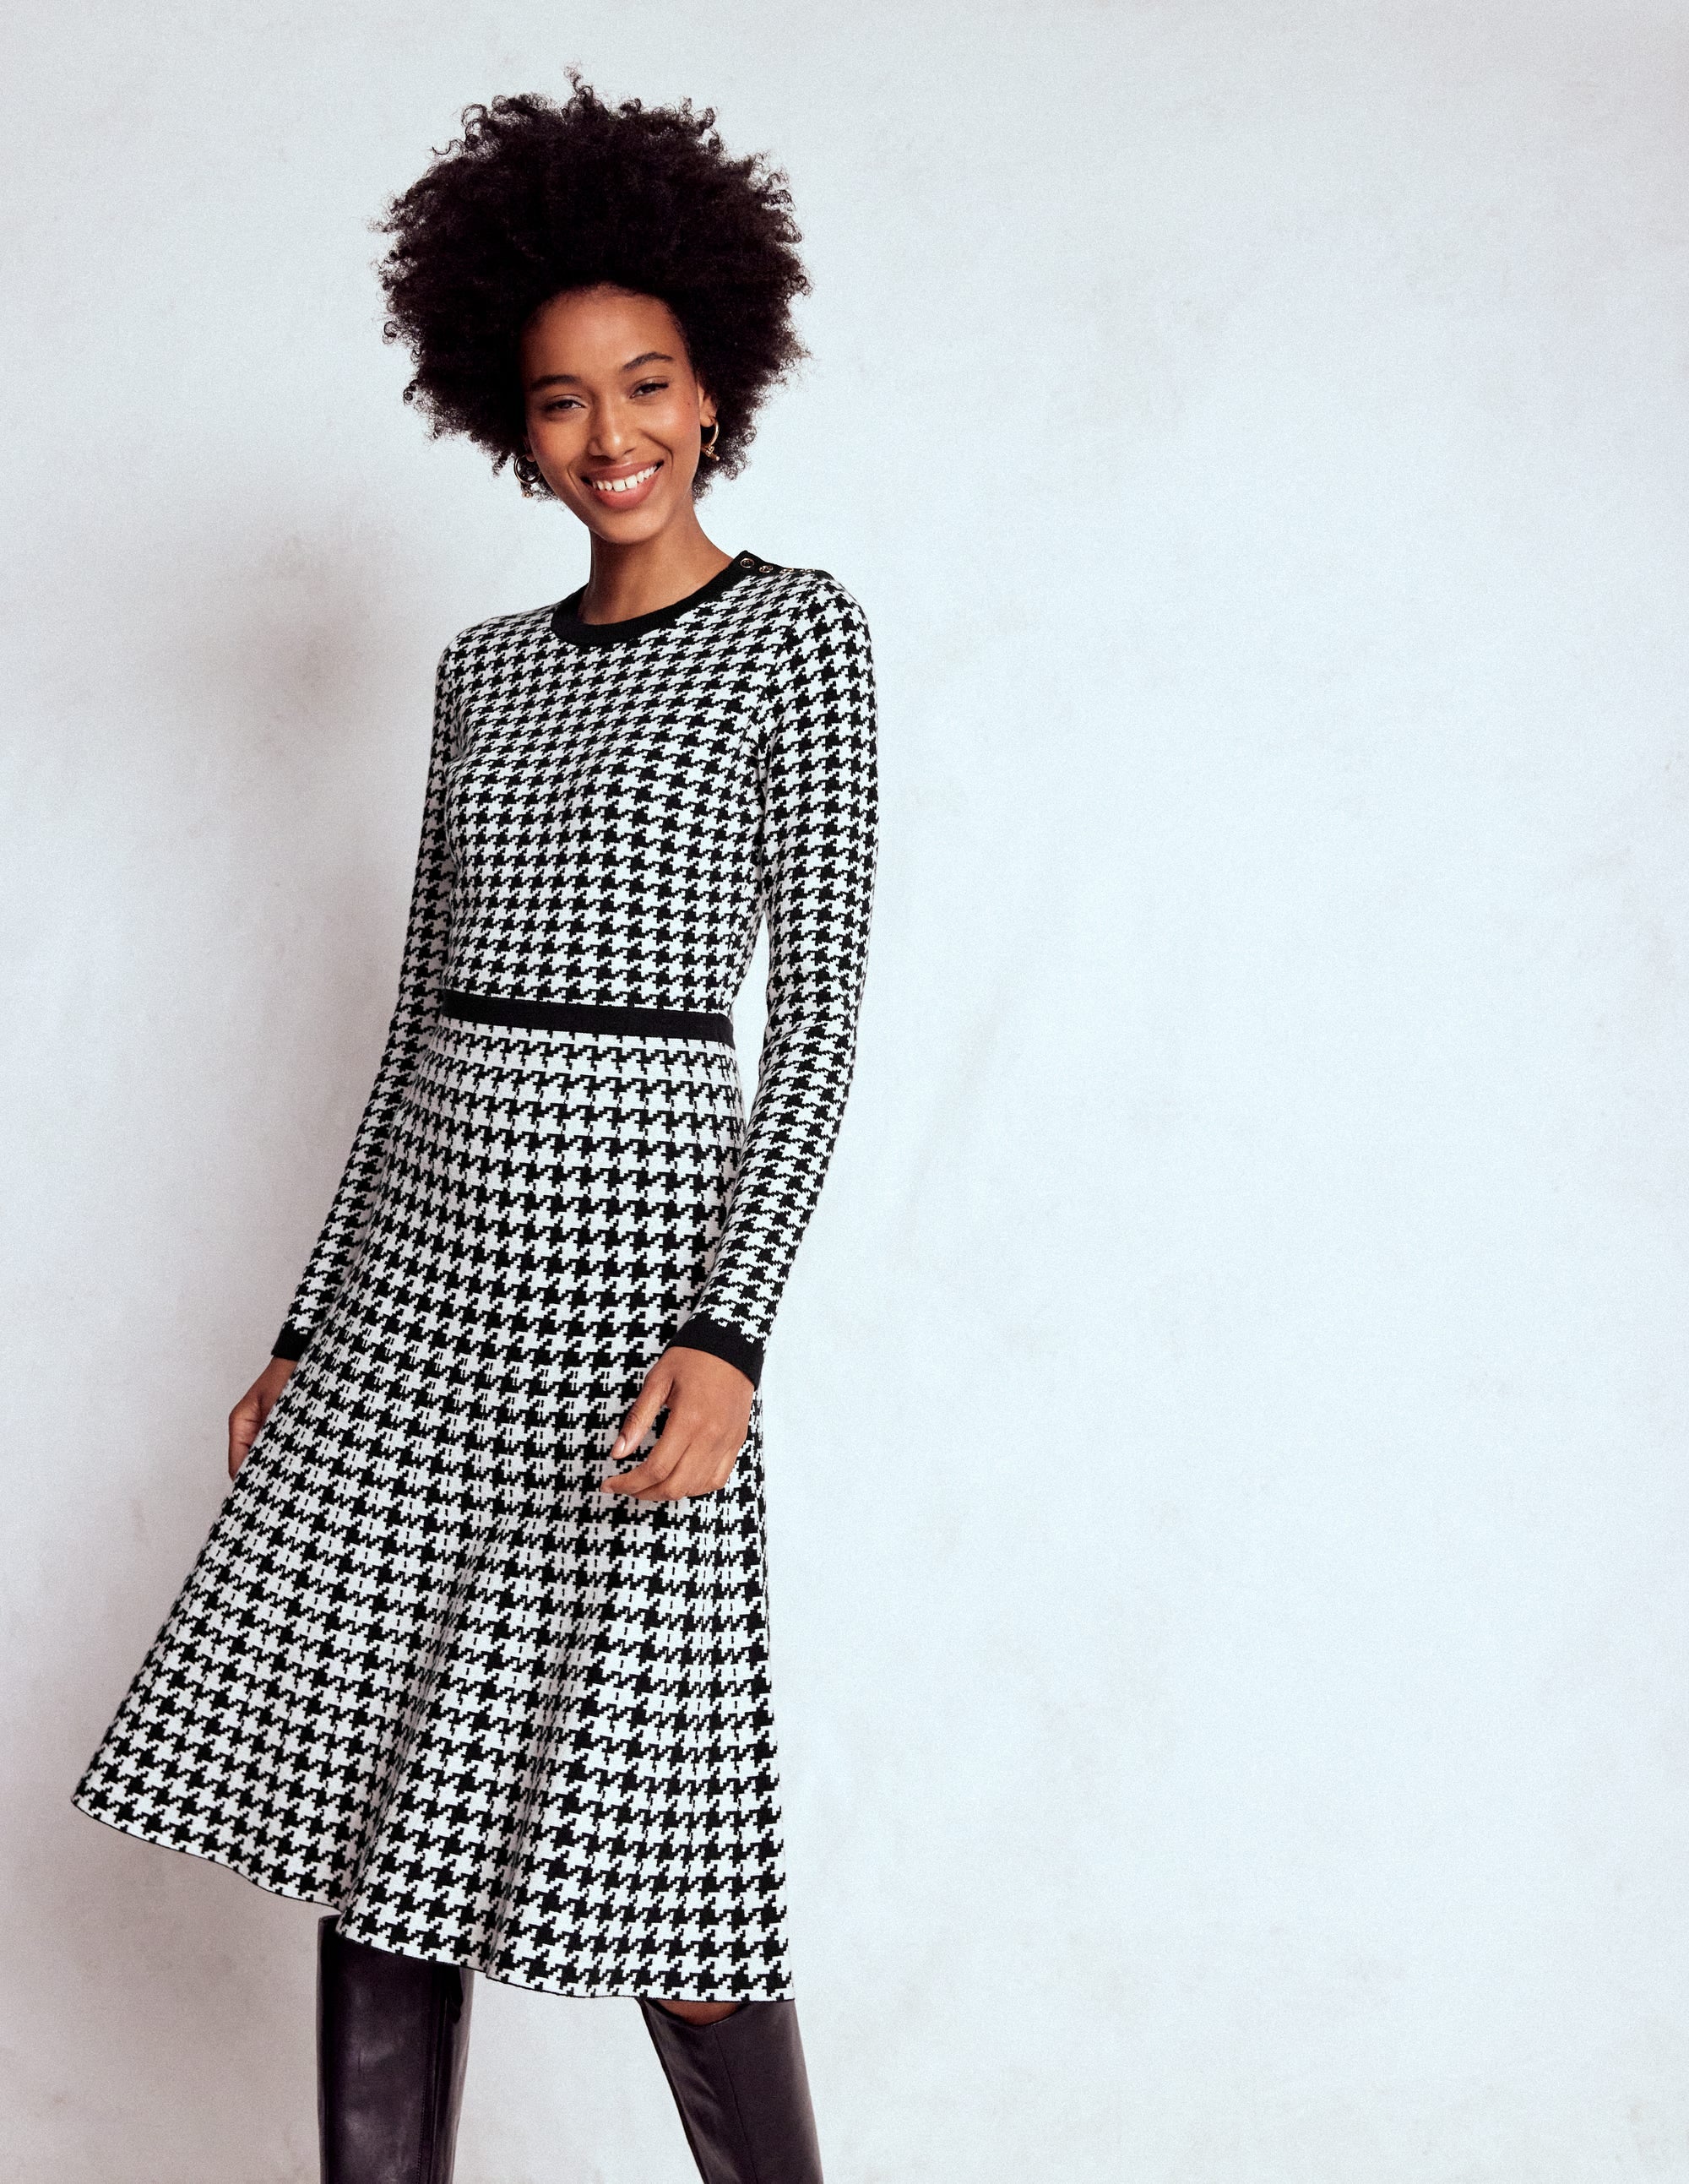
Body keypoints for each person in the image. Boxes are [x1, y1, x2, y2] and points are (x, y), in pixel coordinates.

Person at [73, 74, 877, 2184]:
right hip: (427, 1292)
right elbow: (411, 1024)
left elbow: (814, 1035)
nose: (607, 436)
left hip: (633, 1300)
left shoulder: (800, 637)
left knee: (678, 1867)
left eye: (647, 387)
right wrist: (314, 1328)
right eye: (556, 400)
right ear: (500, 422)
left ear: (718, 389)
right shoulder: (482, 674)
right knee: (380, 1813)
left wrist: (734, 1330)